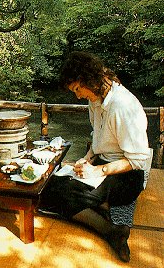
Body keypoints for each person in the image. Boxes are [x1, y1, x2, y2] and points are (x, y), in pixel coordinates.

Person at [38, 51, 151, 262]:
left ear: (89, 78)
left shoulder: (122, 106)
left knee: (62, 196)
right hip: (103, 166)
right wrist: (88, 159)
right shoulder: (96, 99)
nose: (78, 96)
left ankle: (110, 231)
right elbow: (97, 136)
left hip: (127, 176)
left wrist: (98, 170)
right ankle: (102, 214)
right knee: (47, 186)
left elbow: (138, 160)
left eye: (78, 89)